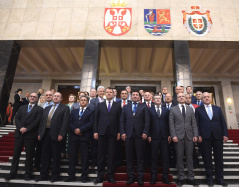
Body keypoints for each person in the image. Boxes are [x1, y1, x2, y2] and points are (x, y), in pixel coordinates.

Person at [5, 93, 43, 181]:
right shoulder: (22, 107)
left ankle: (27, 173)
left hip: (30, 135)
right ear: (28, 98)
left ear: (37, 99)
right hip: (19, 134)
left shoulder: (40, 109)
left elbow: (37, 120)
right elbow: (17, 118)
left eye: (34, 97)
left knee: (29, 155)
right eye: (31, 96)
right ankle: (12, 173)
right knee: (16, 155)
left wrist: (27, 128)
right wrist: (21, 128)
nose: (32, 98)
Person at [195, 92, 228, 186]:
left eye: (208, 97)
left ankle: (220, 178)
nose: (206, 98)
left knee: (219, 158)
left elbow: (223, 122)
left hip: (217, 136)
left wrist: (225, 134)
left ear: (211, 98)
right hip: (205, 137)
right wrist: (198, 135)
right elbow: (196, 124)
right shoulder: (198, 110)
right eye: (204, 97)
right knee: (207, 158)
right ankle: (209, 179)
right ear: (201, 100)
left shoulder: (217, 109)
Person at [36, 92, 70, 182]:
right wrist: (40, 133)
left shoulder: (65, 108)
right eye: (54, 96)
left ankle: (55, 176)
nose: (55, 97)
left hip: (57, 134)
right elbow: (42, 122)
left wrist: (61, 134)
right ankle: (43, 175)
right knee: (45, 156)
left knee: (56, 156)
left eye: (58, 96)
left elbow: (65, 123)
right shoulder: (46, 108)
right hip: (45, 134)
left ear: (61, 98)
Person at [120, 91, 150, 185]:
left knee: (140, 157)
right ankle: (131, 177)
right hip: (128, 135)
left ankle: (140, 178)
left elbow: (147, 121)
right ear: (131, 96)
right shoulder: (126, 107)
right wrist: (123, 133)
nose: (135, 96)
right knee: (129, 158)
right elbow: (122, 121)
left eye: (137, 95)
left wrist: (145, 132)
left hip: (140, 135)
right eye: (133, 95)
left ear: (139, 97)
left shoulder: (144, 106)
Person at [93, 88, 122, 184]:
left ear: (113, 94)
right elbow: (96, 119)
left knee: (111, 155)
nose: (109, 94)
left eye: (111, 92)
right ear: (105, 94)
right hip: (101, 132)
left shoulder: (118, 105)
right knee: (100, 155)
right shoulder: (99, 105)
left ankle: (110, 175)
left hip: (113, 133)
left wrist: (119, 132)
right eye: (107, 92)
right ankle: (100, 176)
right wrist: (95, 131)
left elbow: (120, 120)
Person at [169, 93, 198, 186]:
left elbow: (194, 123)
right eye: (179, 97)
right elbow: (171, 124)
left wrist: (195, 135)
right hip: (178, 136)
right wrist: (173, 135)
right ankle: (181, 177)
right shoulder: (173, 109)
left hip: (189, 135)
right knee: (179, 156)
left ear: (185, 98)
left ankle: (191, 177)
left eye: (183, 97)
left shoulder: (190, 109)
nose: (181, 98)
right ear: (177, 99)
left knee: (190, 156)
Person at [65, 95, 94, 182]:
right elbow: (69, 122)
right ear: (79, 101)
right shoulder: (74, 111)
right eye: (81, 100)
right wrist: (75, 130)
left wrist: (81, 130)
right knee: (72, 157)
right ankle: (71, 176)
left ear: (88, 102)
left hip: (84, 136)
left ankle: (84, 176)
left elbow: (90, 123)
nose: (83, 101)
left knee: (84, 157)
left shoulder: (91, 111)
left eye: (85, 100)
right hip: (74, 136)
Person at [148, 94, 171, 184]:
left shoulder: (166, 110)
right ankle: (153, 177)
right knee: (154, 157)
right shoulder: (149, 110)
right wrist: (149, 135)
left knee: (165, 157)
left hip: (165, 136)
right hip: (153, 137)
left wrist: (169, 134)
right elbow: (148, 123)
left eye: (159, 98)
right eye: (156, 98)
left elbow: (169, 123)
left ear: (161, 100)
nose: (158, 100)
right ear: (153, 100)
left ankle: (165, 177)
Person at [33, 91, 53, 172]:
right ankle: (36, 165)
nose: (48, 96)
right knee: (38, 149)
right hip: (40, 130)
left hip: (50, 130)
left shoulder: (55, 105)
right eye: (46, 95)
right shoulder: (40, 105)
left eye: (50, 95)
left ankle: (48, 166)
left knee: (49, 150)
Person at [62, 94, 76, 159]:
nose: (71, 98)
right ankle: (63, 152)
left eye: (72, 97)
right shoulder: (65, 106)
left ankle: (68, 152)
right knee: (63, 139)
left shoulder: (76, 105)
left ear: (74, 99)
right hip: (65, 124)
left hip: (72, 124)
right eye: (70, 97)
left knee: (70, 139)